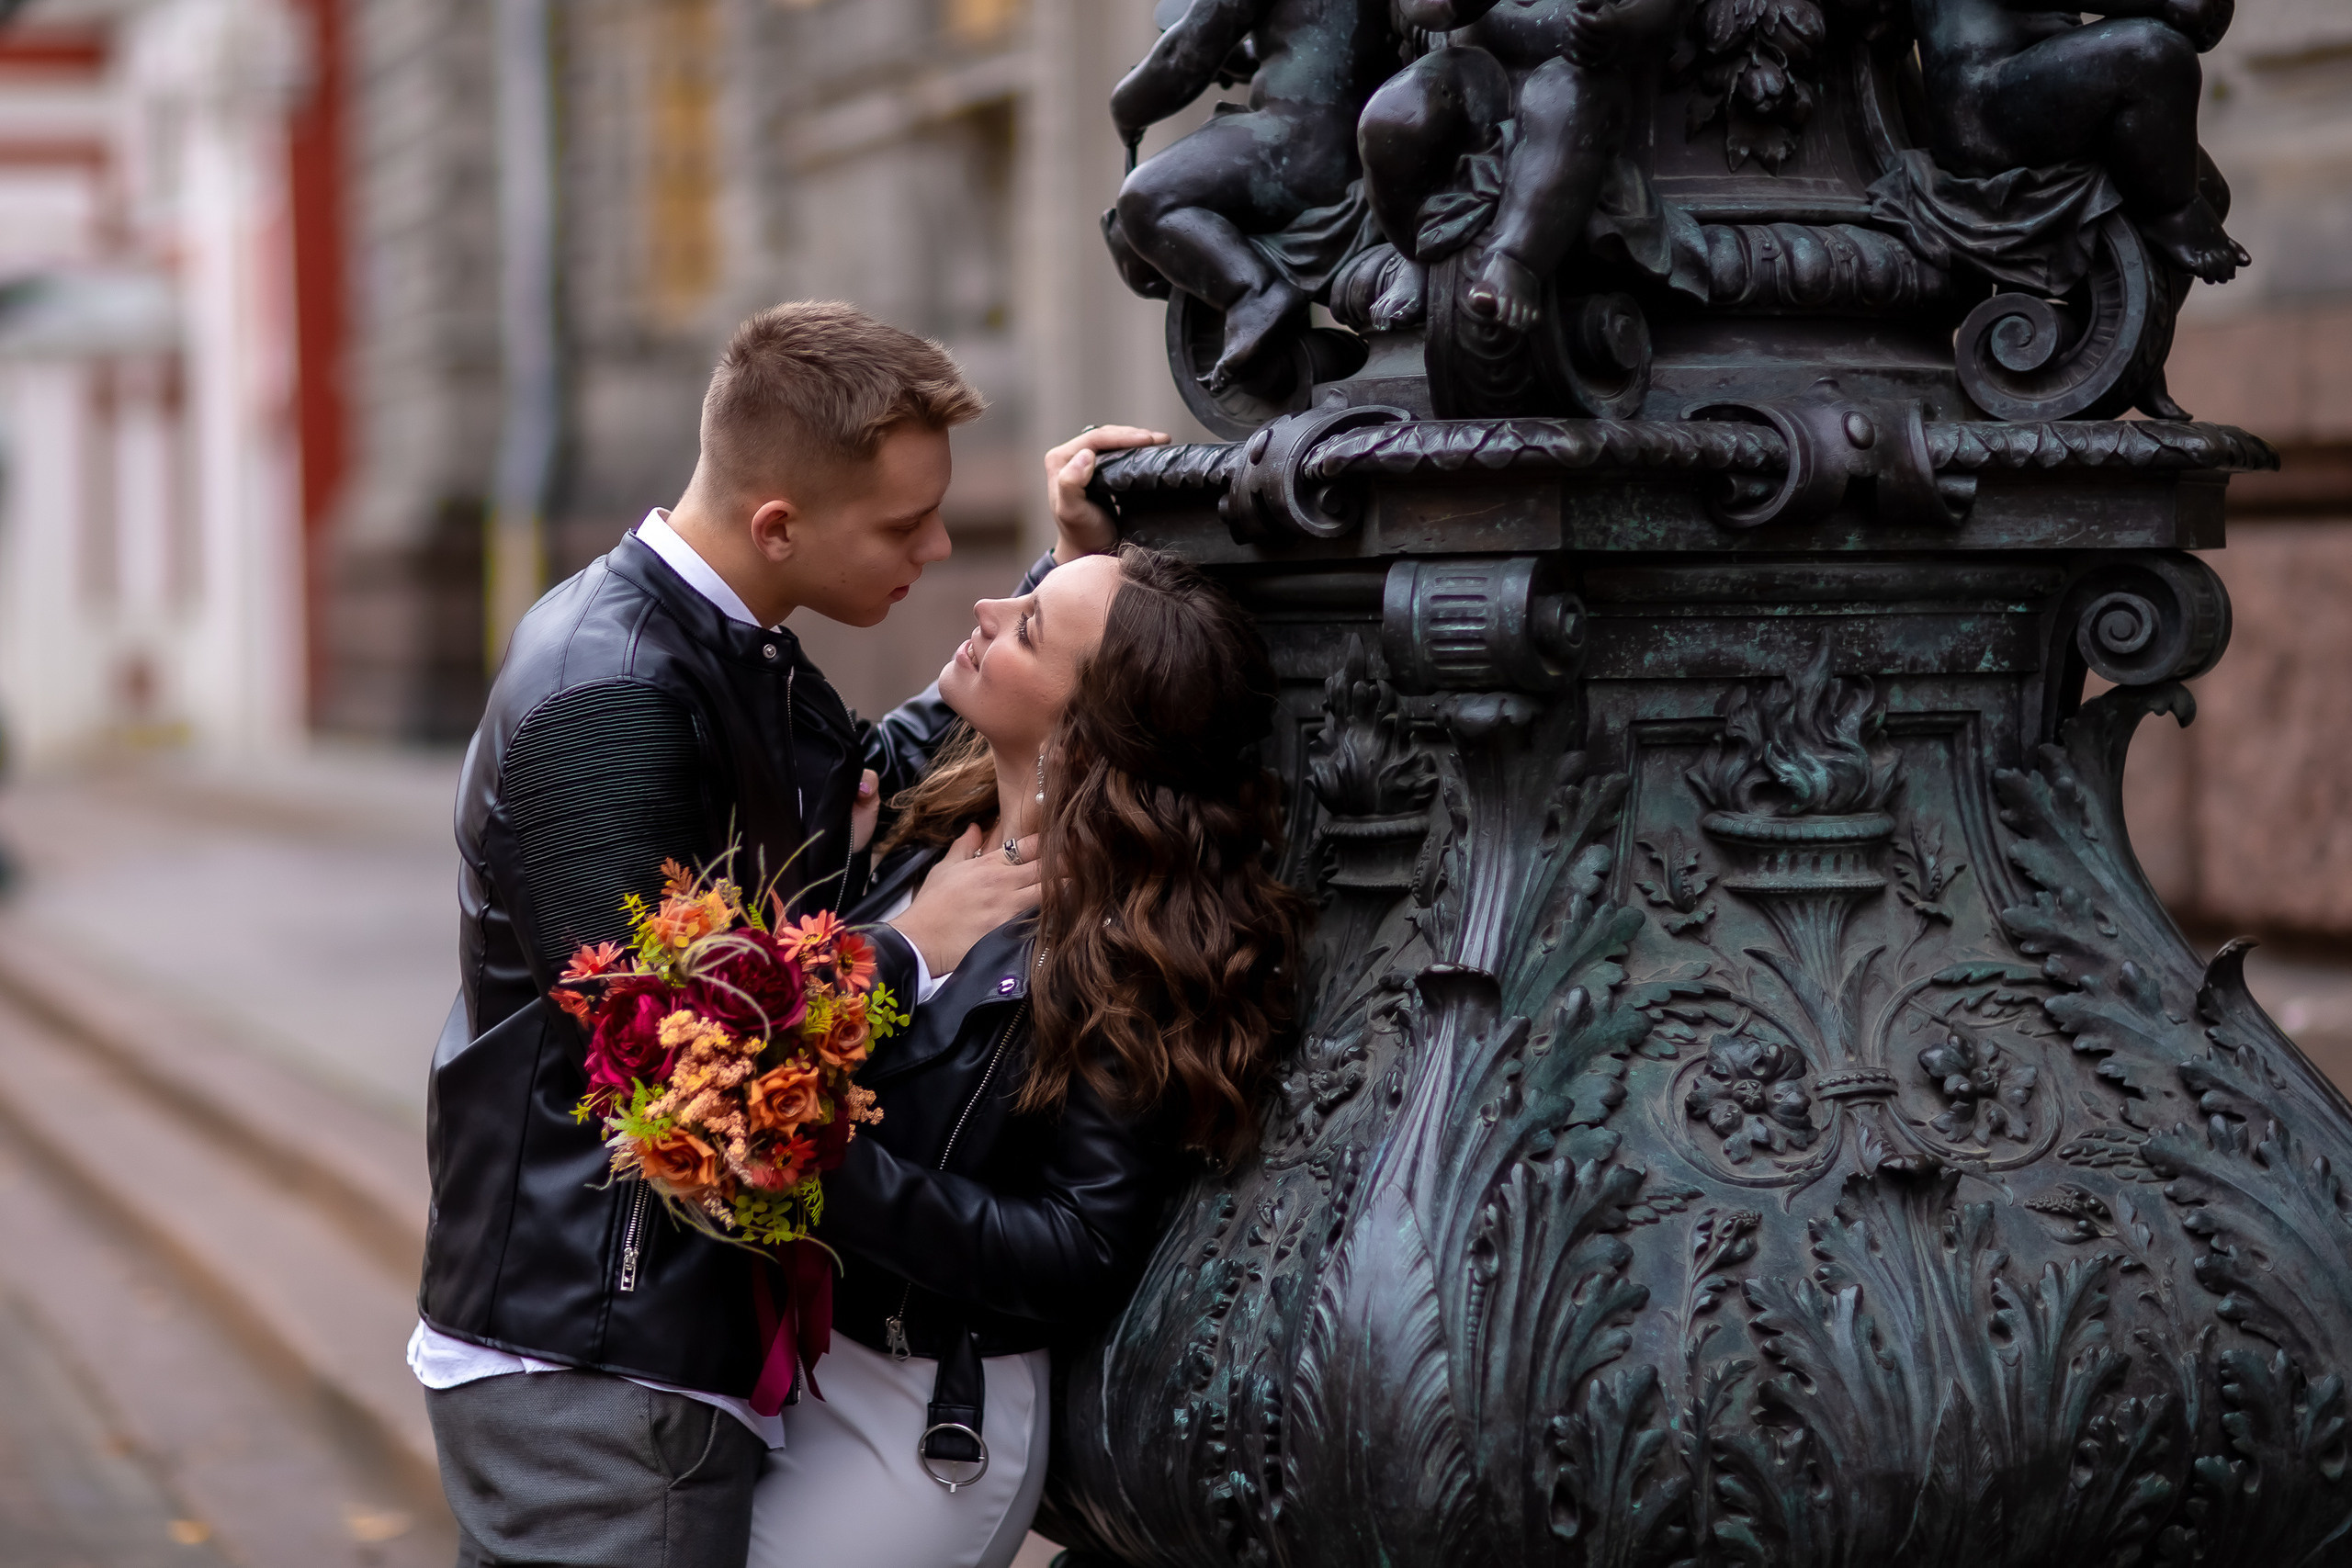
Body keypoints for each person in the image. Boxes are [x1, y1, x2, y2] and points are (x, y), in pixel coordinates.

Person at [411, 300, 1153, 1568]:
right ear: (779, 525)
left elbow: (862, 780)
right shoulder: (612, 691)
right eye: (905, 526)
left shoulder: (722, 638)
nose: (935, 548)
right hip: (591, 1345)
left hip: (639, 1330)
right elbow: (659, 1048)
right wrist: (909, 946)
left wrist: (1063, 581)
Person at [742, 447, 1309, 1568]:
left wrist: (826, 1165)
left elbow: (1080, 1244)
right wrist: (1075, 543)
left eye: (1032, 626)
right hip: (791, 1366)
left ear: (1090, 729)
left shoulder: (1123, 945)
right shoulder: (927, 832)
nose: (988, 607)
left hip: (919, 1426)